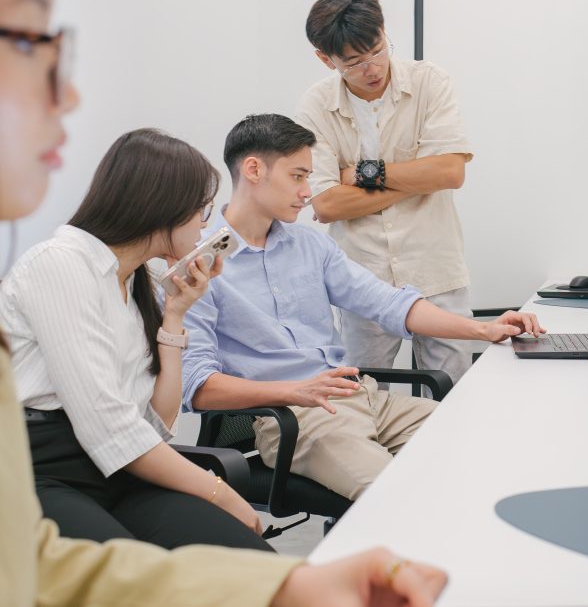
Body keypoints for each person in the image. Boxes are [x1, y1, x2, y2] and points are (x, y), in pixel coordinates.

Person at [0, 0, 446, 604]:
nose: (68, 94)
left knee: (257, 548)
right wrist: (230, 492)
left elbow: (31, 555)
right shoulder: (54, 269)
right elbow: (116, 438)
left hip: (126, 458)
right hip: (93, 459)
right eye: (27, 39)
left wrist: (283, 586)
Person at [182, 114, 544, 500]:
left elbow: (387, 303)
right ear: (253, 169)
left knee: (491, 447)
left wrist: (484, 331)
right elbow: (198, 387)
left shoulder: (310, 246)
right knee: (398, 497)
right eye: (298, 176)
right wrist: (295, 390)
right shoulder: (198, 265)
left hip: (362, 398)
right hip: (295, 420)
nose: (307, 192)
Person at [0, 128, 270, 550]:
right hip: (41, 468)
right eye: (202, 209)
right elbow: (110, 428)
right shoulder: (61, 265)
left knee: (249, 559)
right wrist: (221, 492)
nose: (206, 224)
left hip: (121, 466)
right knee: (138, 579)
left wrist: (176, 315)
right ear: (163, 207)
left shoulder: (140, 281)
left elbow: (157, 425)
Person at [296, 0, 477, 386]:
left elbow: (450, 173)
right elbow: (326, 205)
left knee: (456, 393)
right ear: (326, 60)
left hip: (436, 268)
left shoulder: (430, 83)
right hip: (363, 277)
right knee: (362, 397)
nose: (372, 68)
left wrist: (362, 175)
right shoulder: (314, 106)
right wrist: (418, 177)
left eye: (378, 49)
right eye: (355, 61)